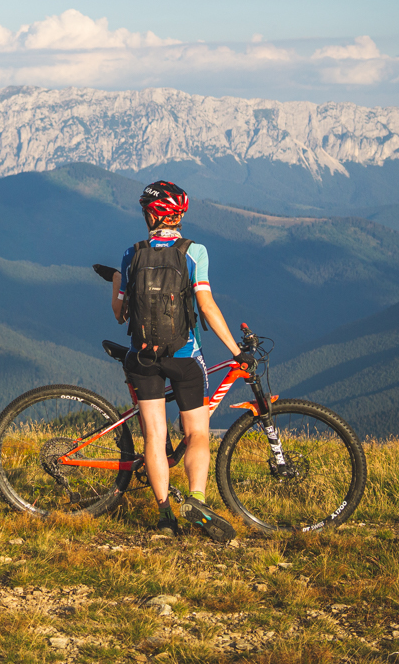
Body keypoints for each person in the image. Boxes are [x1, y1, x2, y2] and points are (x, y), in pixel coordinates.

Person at [110, 181, 252, 542]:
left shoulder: (132, 254)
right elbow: (205, 305)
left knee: (154, 438)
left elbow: (120, 315)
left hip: (143, 357)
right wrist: (236, 351)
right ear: (179, 215)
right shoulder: (194, 252)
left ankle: (163, 517)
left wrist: (116, 282)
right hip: (185, 356)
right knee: (196, 432)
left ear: (149, 214)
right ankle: (196, 500)